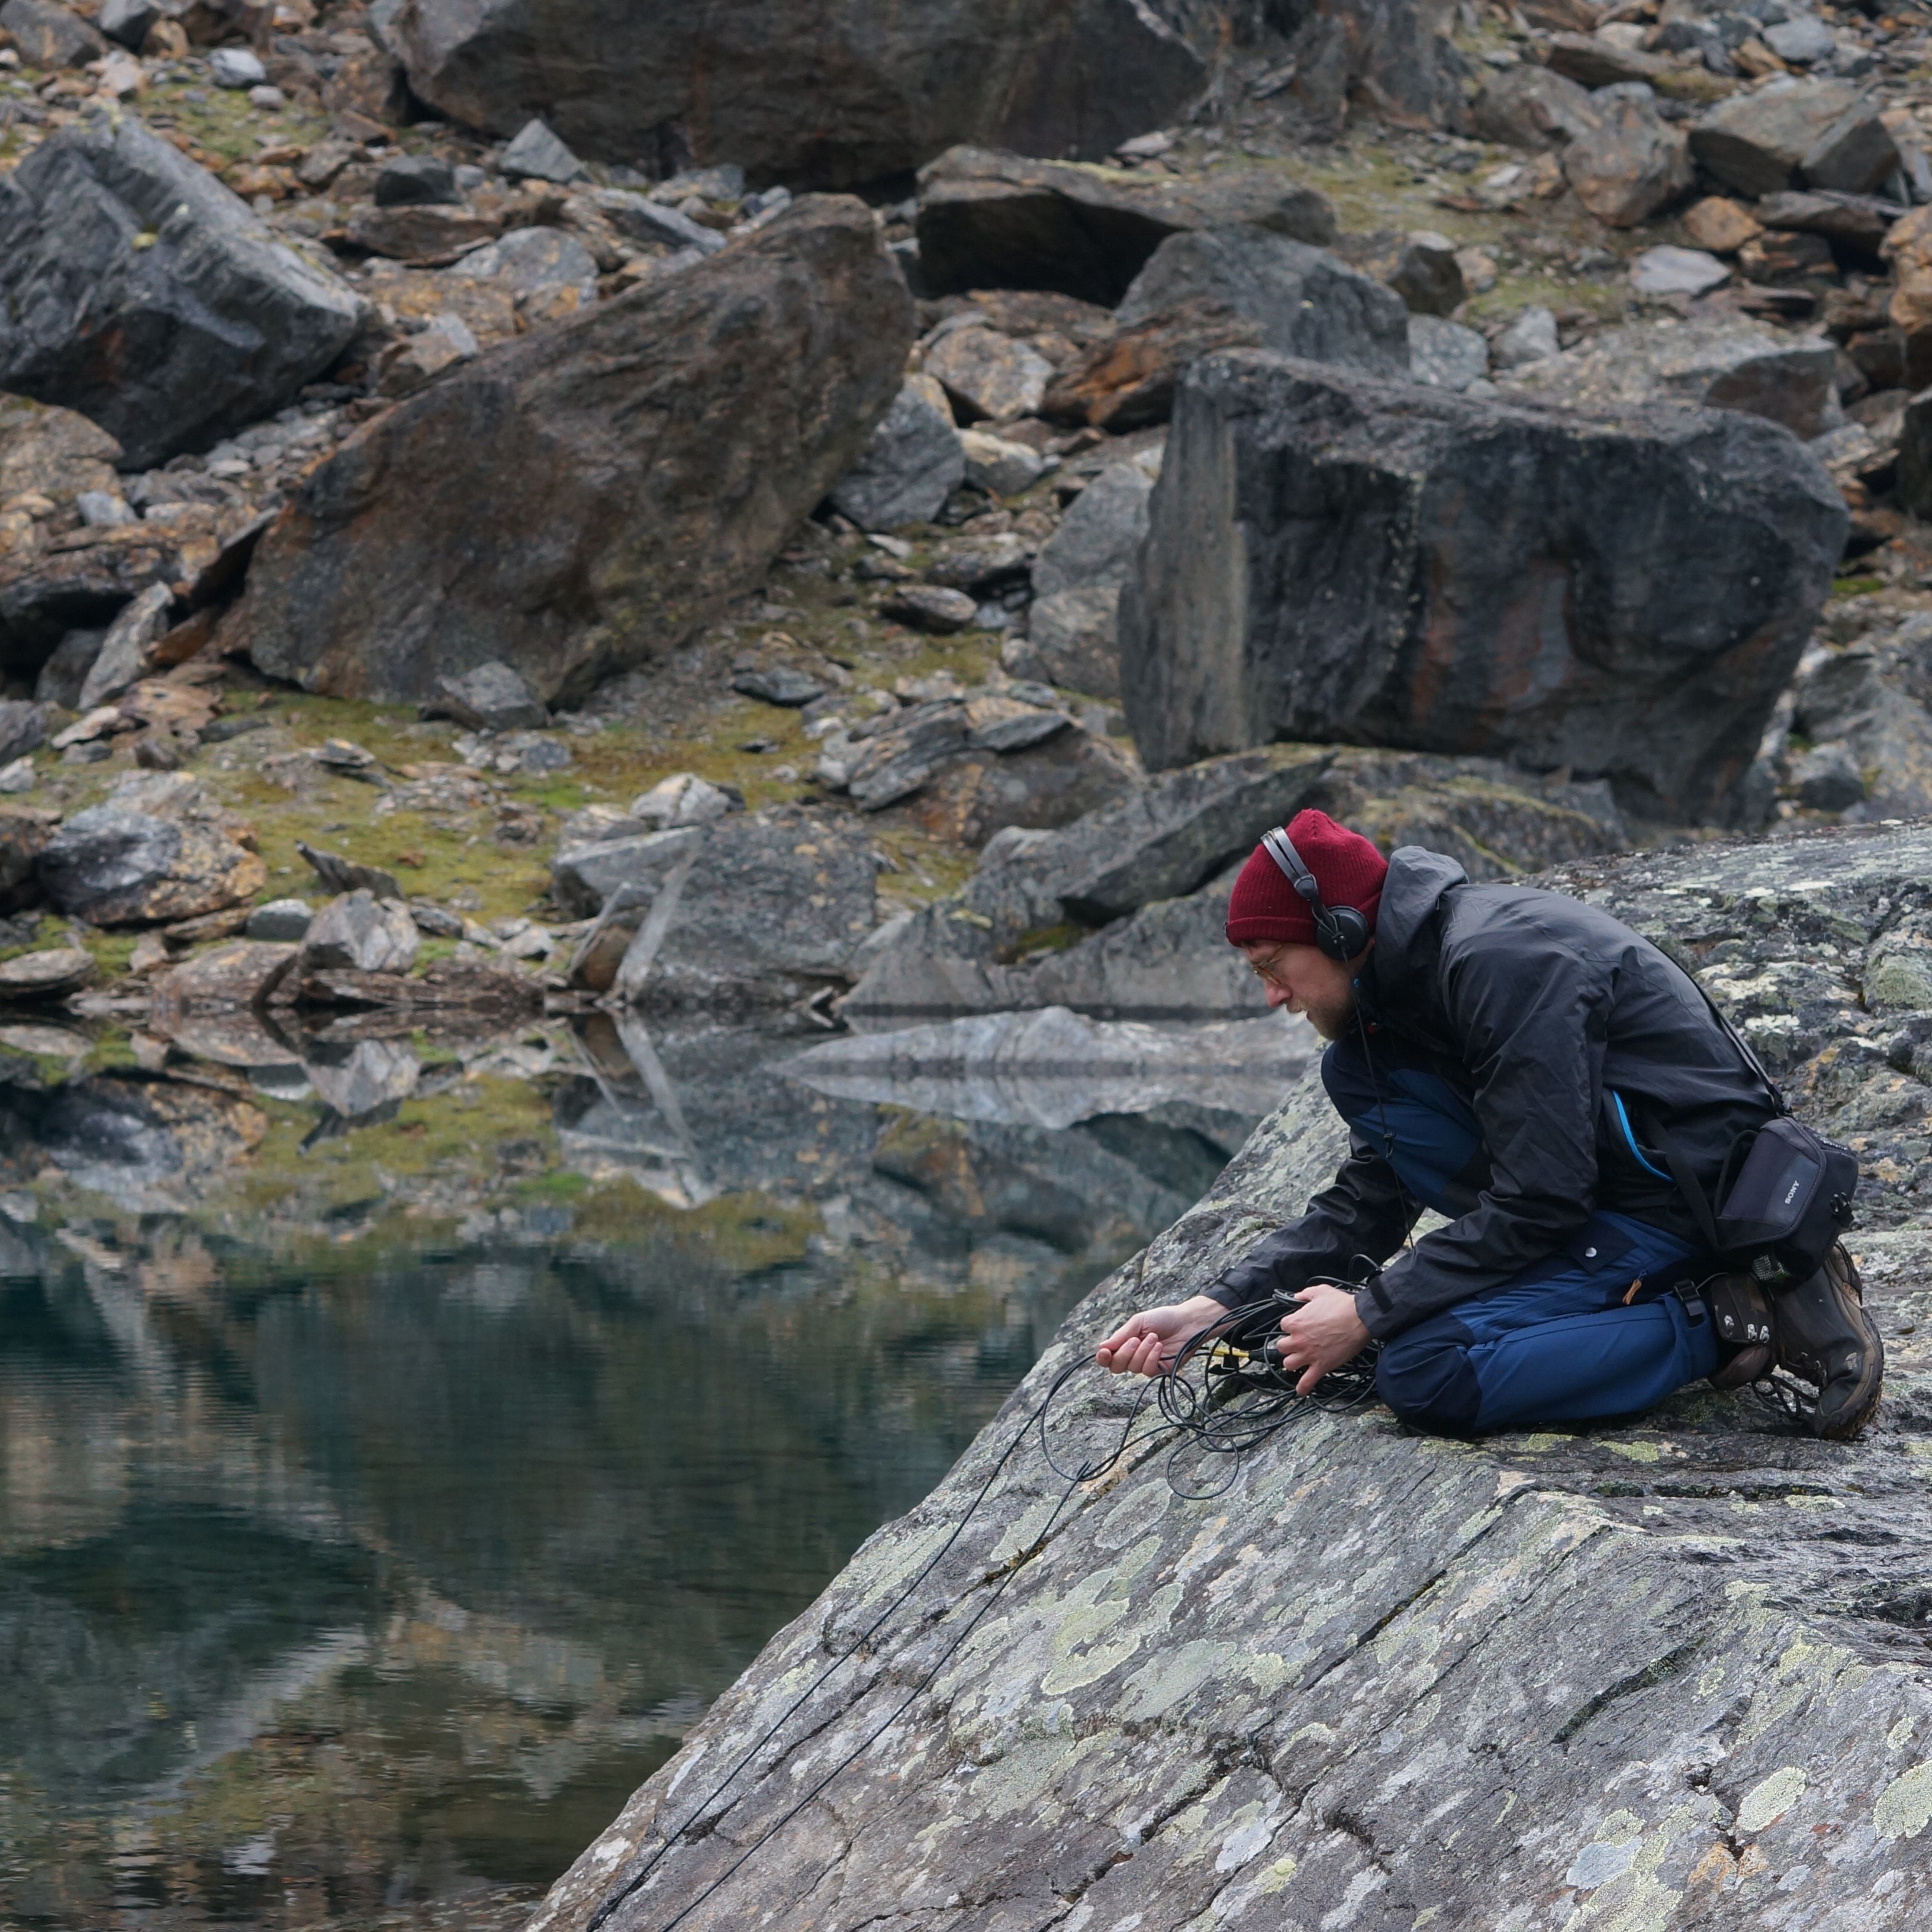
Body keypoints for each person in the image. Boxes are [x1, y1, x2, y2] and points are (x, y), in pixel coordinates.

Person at [1095, 810, 1884, 1441]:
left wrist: (1370, 1310)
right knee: (1359, 1098)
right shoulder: (1387, 1021)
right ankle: (1623, 1299)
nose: (1272, 994)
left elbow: (1543, 1196)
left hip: (1682, 1203)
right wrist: (1213, 1312)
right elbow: (1370, 1200)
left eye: (1271, 964)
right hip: (1588, 1199)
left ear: (1338, 928)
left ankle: (1727, 1312)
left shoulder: (1503, 962)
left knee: (1425, 1370)